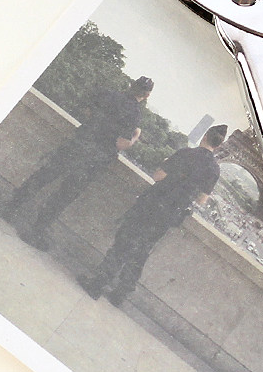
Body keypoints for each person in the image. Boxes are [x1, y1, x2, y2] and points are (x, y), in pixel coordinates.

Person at [79, 123, 227, 306]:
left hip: (151, 205)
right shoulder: (214, 170)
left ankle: (97, 284)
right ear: (218, 145)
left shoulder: (186, 153)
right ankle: (120, 294)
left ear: (205, 135)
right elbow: (202, 200)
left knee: (123, 244)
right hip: (170, 215)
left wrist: (166, 164)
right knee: (141, 252)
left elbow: (158, 176)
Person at [10, 75, 154, 250]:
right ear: (147, 95)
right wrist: (136, 136)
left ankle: (12, 206)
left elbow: (87, 111)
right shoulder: (134, 114)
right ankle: (37, 230)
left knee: (44, 176)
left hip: (79, 142)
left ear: (132, 85)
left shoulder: (107, 94)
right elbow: (121, 143)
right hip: (96, 157)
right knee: (65, 194)